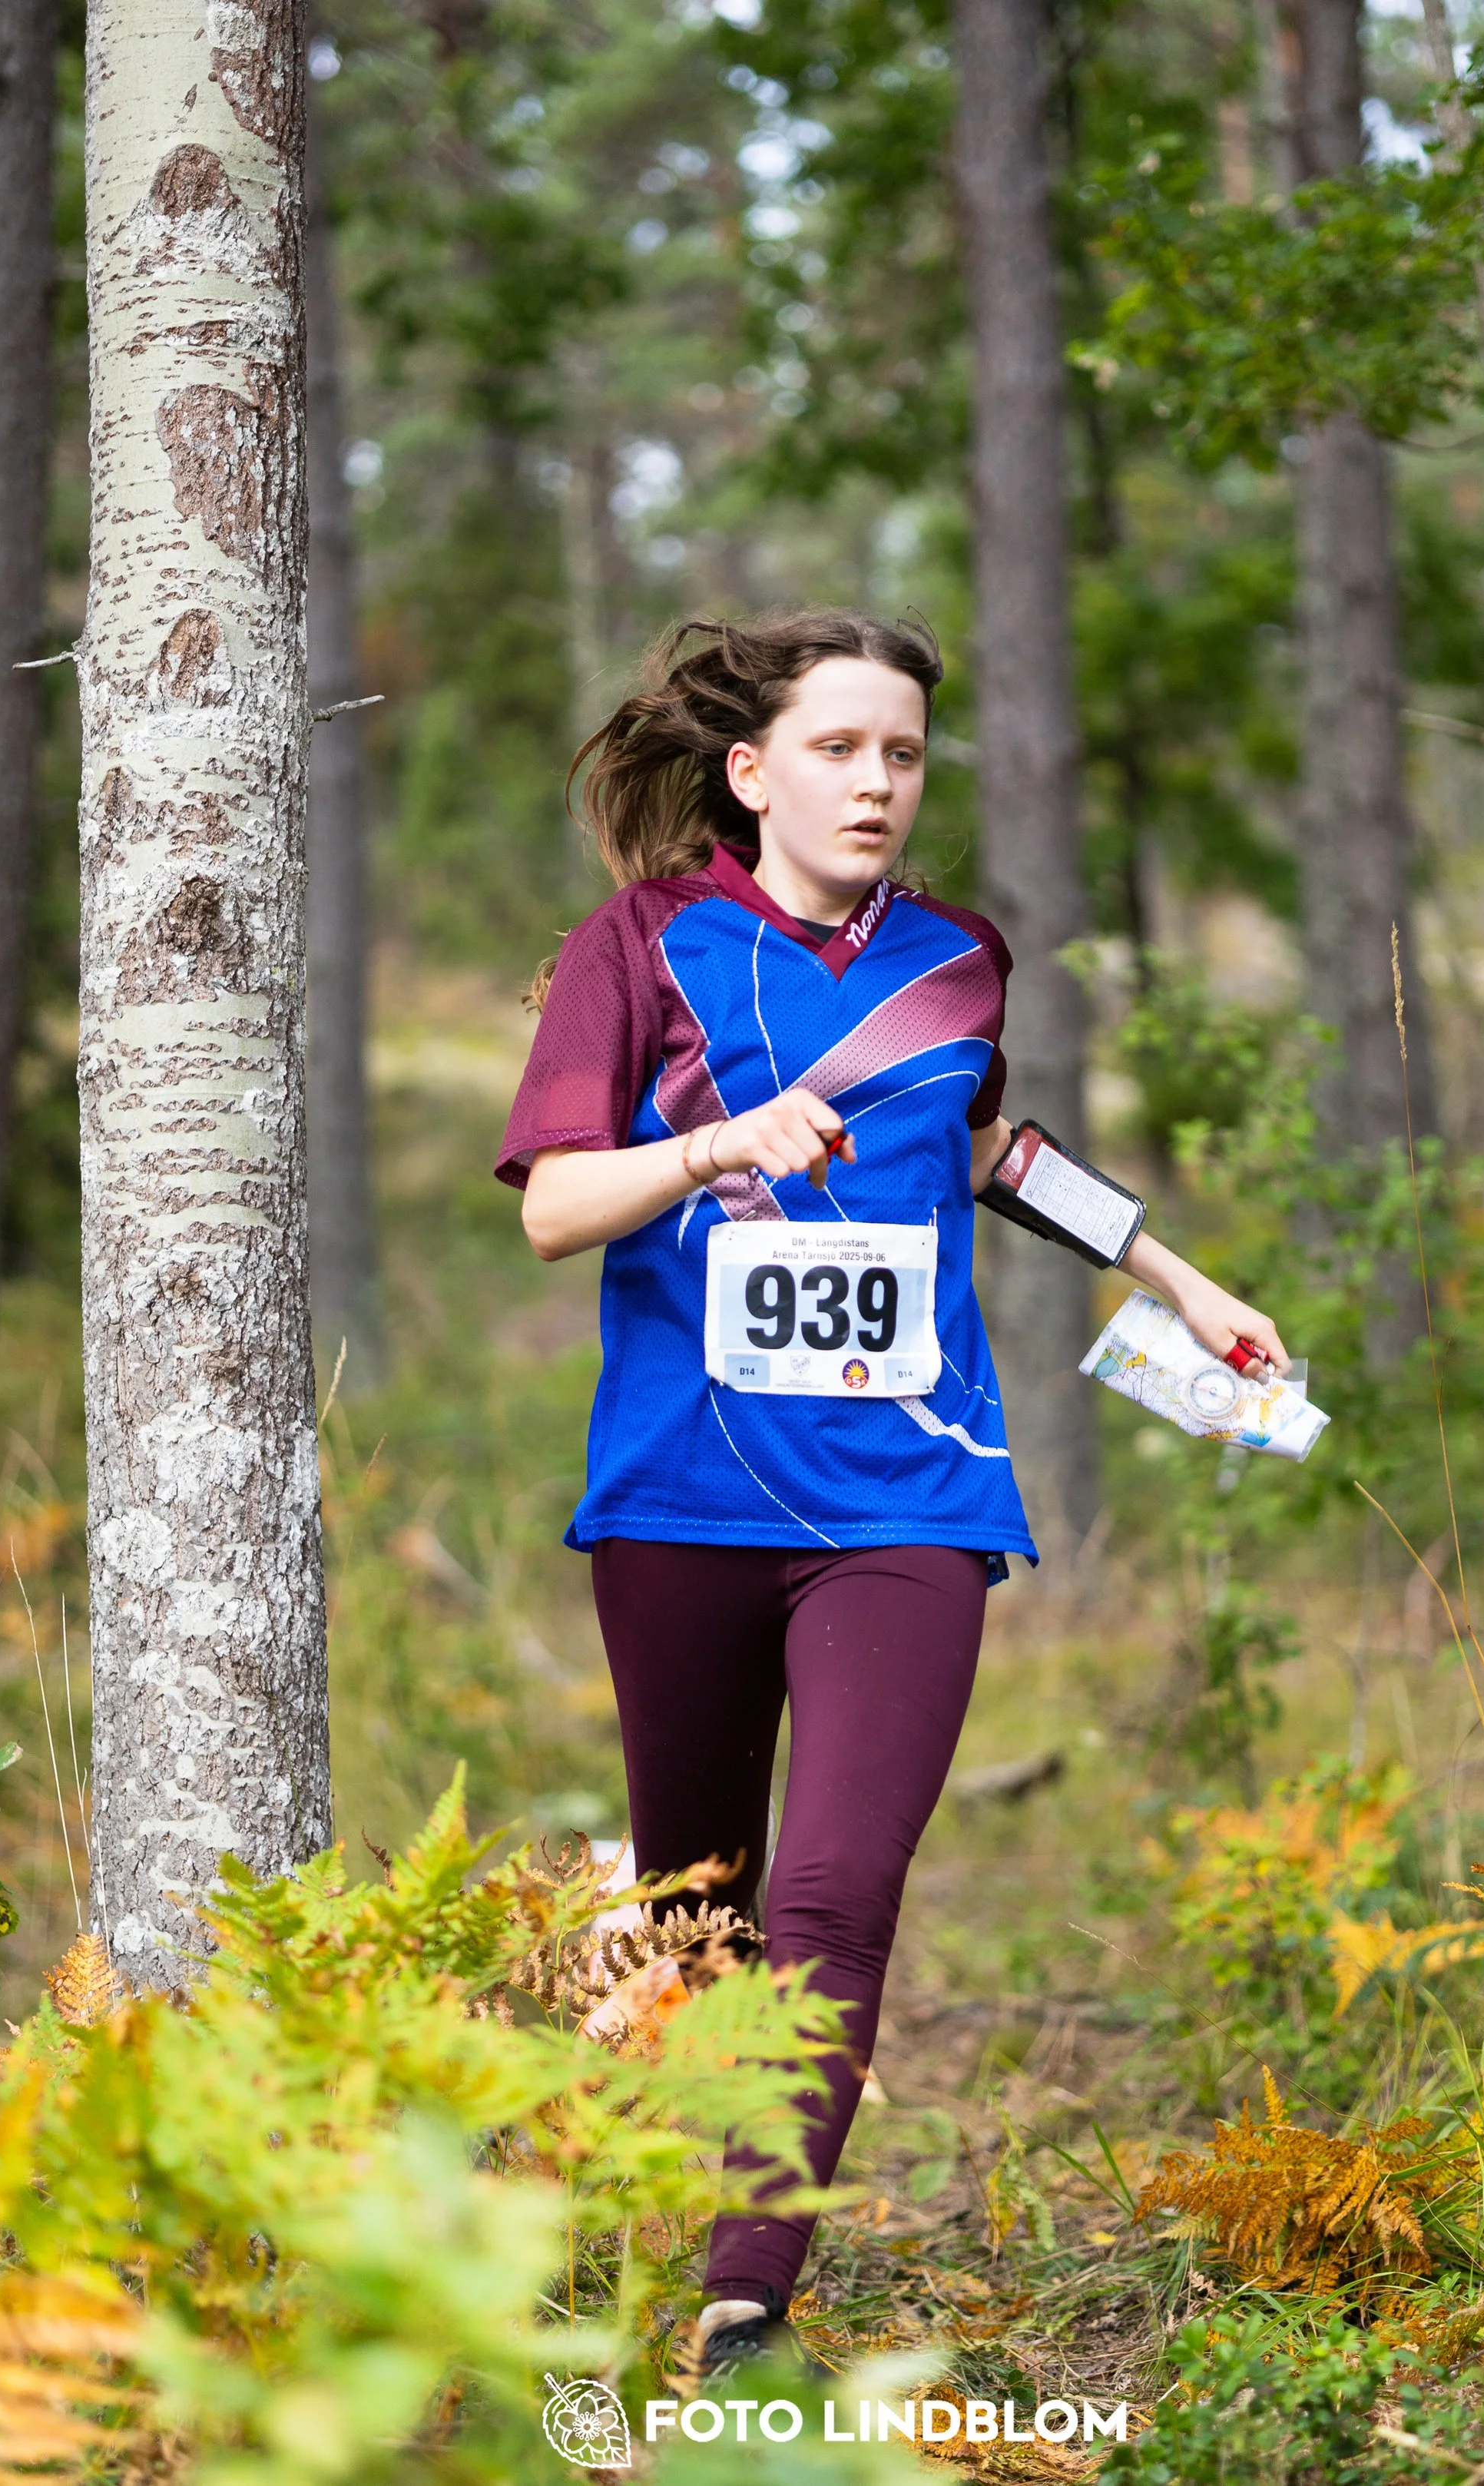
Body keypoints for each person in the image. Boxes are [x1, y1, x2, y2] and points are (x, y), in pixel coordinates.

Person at [495, 609, 1286, 2372]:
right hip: (681, 1494)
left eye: (904, 753)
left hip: (909, 1496)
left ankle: (741, 2292)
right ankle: (623, 2188)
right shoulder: (637, 947)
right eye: (839, 748)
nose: (875, 780)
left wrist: (1173, 1276)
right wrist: (709, 1144)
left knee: (834, 1897)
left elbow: (984, 1145)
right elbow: (553, 1205)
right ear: (749, 770)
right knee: (695, 1906)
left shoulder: (956, 956)